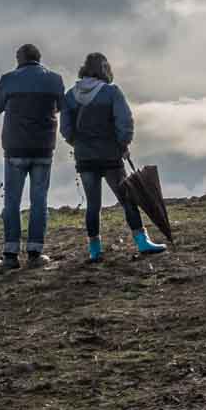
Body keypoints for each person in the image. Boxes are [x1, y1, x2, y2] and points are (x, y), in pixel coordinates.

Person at [60, 53, 166, 262]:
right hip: (110, 155)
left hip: (85, 157)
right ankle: (142, 241)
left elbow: (65, 129)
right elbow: (125, 122)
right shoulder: (111, 92)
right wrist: (123, 144)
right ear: (104, 70)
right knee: (127, 199)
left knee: (92, 204)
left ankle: (95, 249)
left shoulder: (70, 95)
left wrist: (78, 144)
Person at [0, 44, 66, 270]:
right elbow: (61, 106)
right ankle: (35, 252)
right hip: (43, 148)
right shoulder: (55, 79)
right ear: (39, 59)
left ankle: (10, 255)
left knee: (12, 202)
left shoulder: (9, 79)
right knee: (39, 200)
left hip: (15, 148)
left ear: (19, 59)